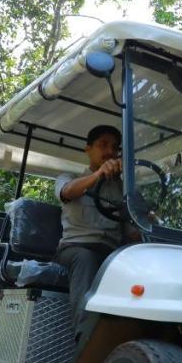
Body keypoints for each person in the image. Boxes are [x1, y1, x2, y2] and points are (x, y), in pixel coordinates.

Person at [54, 124, 137, 327]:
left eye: (115, 147)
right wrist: (98, 174)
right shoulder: (69, 178)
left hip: (111, 255)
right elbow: (68, 192)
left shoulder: (124, 190)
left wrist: (143, 217)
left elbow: (133, 234)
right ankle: (83, 335)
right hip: (74, 250)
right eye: (103, 145)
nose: (110, 151)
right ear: (88, 149)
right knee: (86, 258)